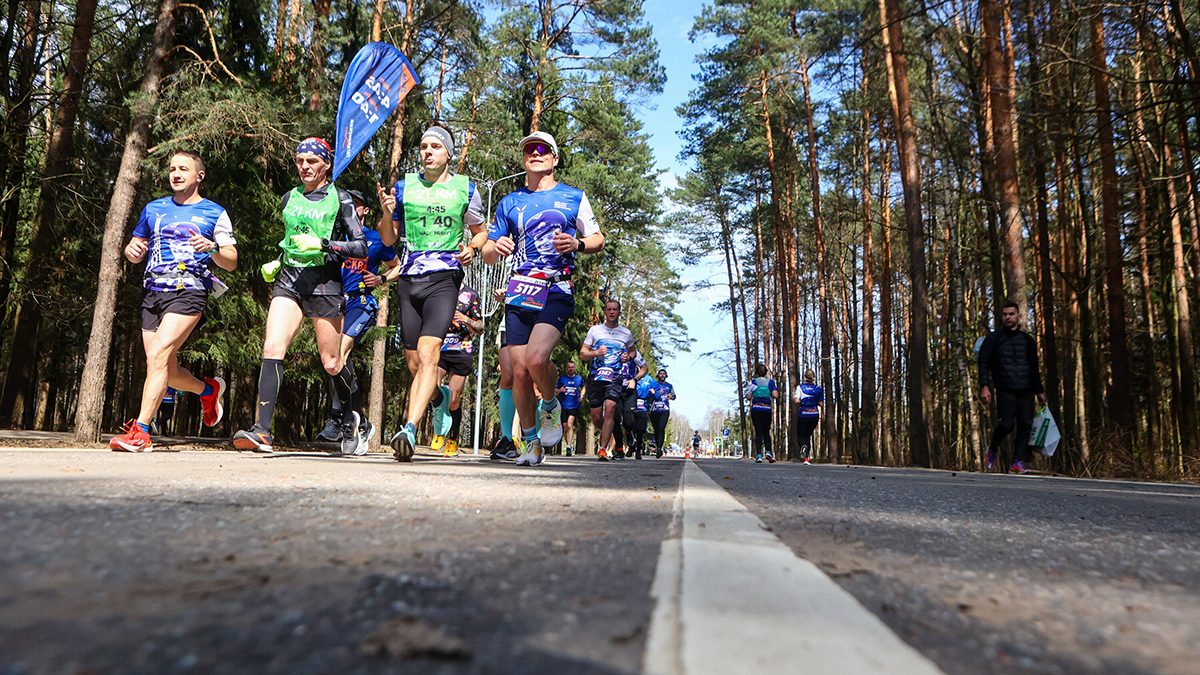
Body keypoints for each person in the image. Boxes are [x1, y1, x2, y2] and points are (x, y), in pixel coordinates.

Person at [233, 138, 369, 455]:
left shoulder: (342, 199)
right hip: (290, 279)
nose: (304, 167)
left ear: (326, 165)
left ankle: (355, 419)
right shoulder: (289, 198)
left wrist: (325, 245)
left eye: (311, 161)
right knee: (272, 347)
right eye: (299, 161)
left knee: (332, 362)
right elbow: (290, 240)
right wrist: (278, 260)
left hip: (325, 283)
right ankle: (262, 431)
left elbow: (361, 247)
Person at [482, 131, 605, 466]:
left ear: (554, 158)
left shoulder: (573, 197)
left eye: (542, 149)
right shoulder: (510, 202)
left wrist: (577, 245)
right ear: (524, 159)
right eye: (528, 150)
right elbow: (489, 252)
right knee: (519, 371)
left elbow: (597, 238)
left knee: (536, 360)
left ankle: (549, 402)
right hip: (520, 289)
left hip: (556, 287)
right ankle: (531, 442)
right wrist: (496, 247)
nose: (534, 154)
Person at [109, 150, 237, 452]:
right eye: (172, 169)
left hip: (189, 291)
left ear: (199, 176)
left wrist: (212, 248)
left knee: (157, 357)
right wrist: (132, 251)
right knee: (167, 367)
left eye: (183, 169)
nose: (176, 174)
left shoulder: (214, 213)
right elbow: (134, 245)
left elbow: (231, 261)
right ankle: (208, 390)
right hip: (152, 291)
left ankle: (140, 431)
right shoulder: (154, 209)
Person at [380, 123, 487, 462]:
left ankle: (409, 429)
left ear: (448, 154)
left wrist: (473, 246)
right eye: (423, 146)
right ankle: (439, 400)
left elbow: (481, 232)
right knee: (415, 364)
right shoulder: (404, 187)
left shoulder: (465, 189)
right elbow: (387, 240)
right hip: (410, 280)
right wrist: (386, 211)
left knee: (430, 355)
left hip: (444, 279)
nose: (427, 152)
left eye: (435, 147)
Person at [315, 189, 400, 446]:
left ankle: (337, 418)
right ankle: (359, 419)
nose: (351, 207)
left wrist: (382, 278)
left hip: (361, 301)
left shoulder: (375, 239)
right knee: (335, 360)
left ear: (364, 211)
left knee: (339, 352)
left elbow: (398, 265)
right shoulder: (335, 240)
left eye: (357, 204)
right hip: (336, 301)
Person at [978, 301, 1047, 474]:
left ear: (1019, 316)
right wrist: (984, 386)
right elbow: (984, 362)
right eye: (1005, 314)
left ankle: (1016, 462)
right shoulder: (993, 339)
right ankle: (992, 449)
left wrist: (1039, 392)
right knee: (1007, 425)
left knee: (1025, 424)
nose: (1008, 317)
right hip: (1005, 388)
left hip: (1026, 388)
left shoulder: (1027, 341)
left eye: (1011, 314)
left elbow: (1034, 367)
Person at [581, 300, 639, 461]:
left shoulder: (625, 333)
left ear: (619, 313)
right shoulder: (595, 330)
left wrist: (628, 357)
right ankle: (612, 431)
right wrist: (596, 352)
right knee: (596, 416)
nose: (612, 312)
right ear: (605, 312)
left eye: (615, 309)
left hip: (615, 376)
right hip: (596, 376)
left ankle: (602, 449)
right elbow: (582, 354)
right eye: (609, 309)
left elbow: (633, 352)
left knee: (611, 408)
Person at [431, 284, 483, 457]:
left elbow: (480, 328)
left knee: (453, 400)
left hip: (461, 350)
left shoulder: (471, 295)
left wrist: (465, 319)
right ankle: (439, 426)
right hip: (440, 347)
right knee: (431, 386)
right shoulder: (439, 289)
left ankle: (452, 441)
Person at [610, 345, 648, 460]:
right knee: (615, 419)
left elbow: (645, 368)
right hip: (615, 389)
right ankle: (620, 450)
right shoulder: (612, 350)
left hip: (629, 391)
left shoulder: (633, 352)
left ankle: (629, 433)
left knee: (629, 421)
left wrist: (635, 380)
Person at [744, 363, 779, 463]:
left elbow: (748, 396)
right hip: (766, 409)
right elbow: (775, 395)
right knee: (766, 432)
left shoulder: (753, 382)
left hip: (756, 408)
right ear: (765, 372)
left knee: (758, 432)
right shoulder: (770, 382)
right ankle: (769, 452)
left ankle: (759, 455)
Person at [795, 369, 824, 465]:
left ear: (805, 377)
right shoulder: (818, 389)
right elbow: (821, 404)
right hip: (814, 415)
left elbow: (796, 400)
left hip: (803, 413)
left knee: (801, 435)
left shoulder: (800, 387)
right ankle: (806, 458)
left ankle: (803, 447)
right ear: (813, 377)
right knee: (808, 434)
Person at [555, 361, 584, 456]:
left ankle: (568, 446)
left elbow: (583, 387)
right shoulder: (562, 379)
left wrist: (582, 396)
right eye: (569, 367)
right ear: (567, 368)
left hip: (574, 405)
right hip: (564, 406)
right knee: (565, 427)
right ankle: (568, 444)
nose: (571, 369)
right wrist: (560, 390)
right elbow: (555, 390)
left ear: (574, 368)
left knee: (570, 425)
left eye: (572, 367)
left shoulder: (578, 379)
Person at [648, 368, 675, 458]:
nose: (662, 375)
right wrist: (654, 393)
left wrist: (671, 396)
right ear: (658, 375)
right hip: (655, 410)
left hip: (665, 410)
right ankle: (657, 446)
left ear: (666, 376)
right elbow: (648, 393)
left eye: (664, 374)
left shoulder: (669, 386)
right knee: (656, 429)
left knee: (661, 428)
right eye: (660, 373)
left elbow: (674, 396)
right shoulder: (654, 384)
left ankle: (659, 448)